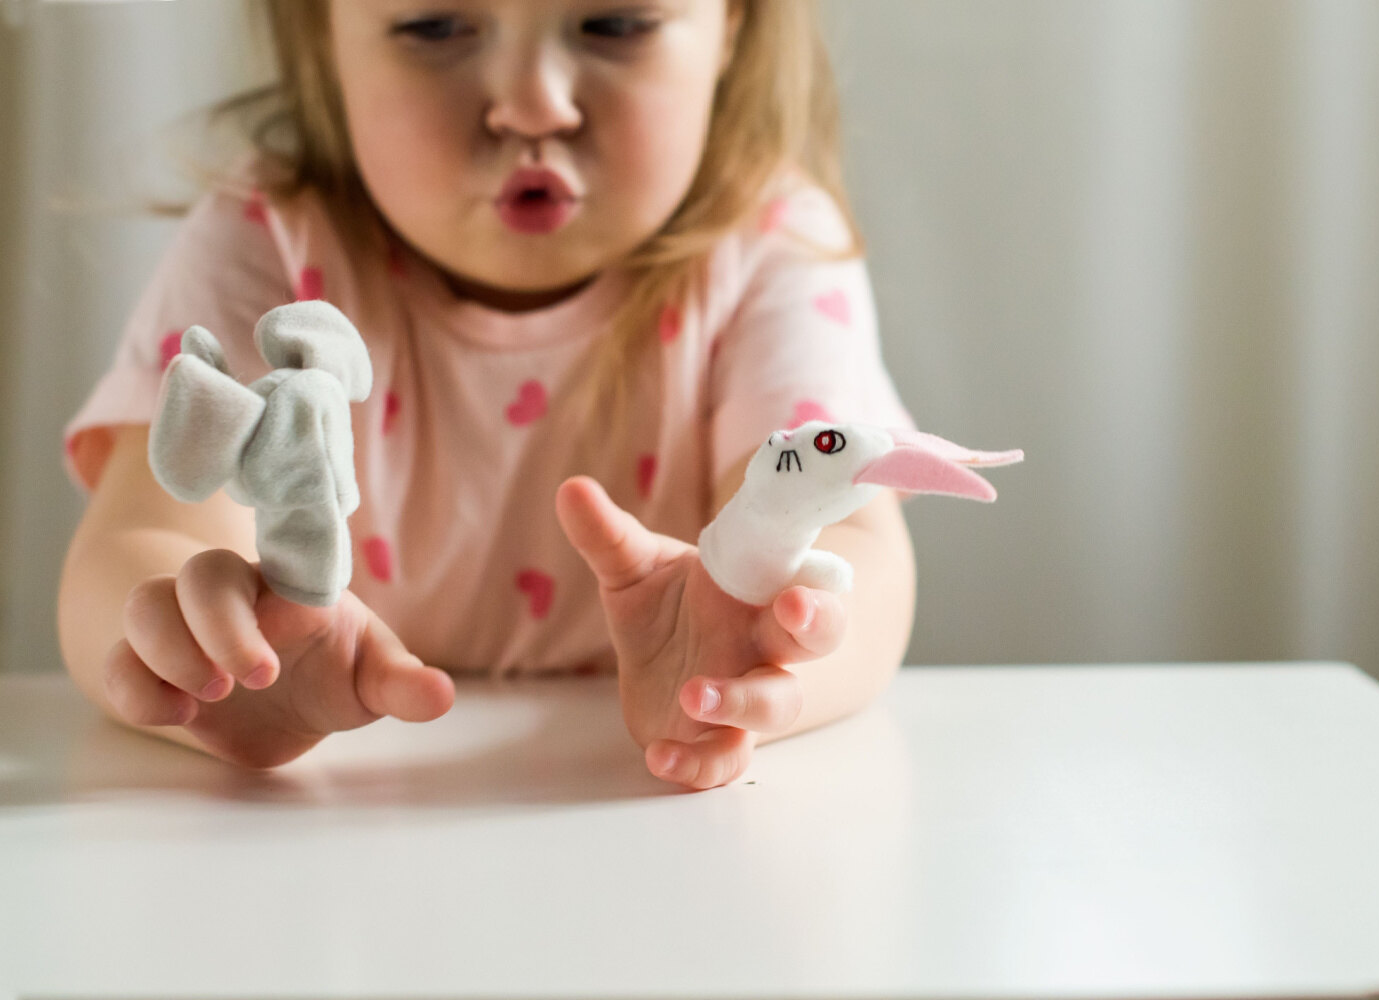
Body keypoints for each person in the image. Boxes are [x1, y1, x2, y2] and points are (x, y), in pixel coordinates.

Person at [57, 0, 916, 791]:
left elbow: (851, 544)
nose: (533, 105)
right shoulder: (266, 236)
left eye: (615, 22)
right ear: (323, 35)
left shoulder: (769, 244)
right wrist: (209, 654)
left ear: (733, 26)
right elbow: (142, 533)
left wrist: (755, 653)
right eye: (435, 25)